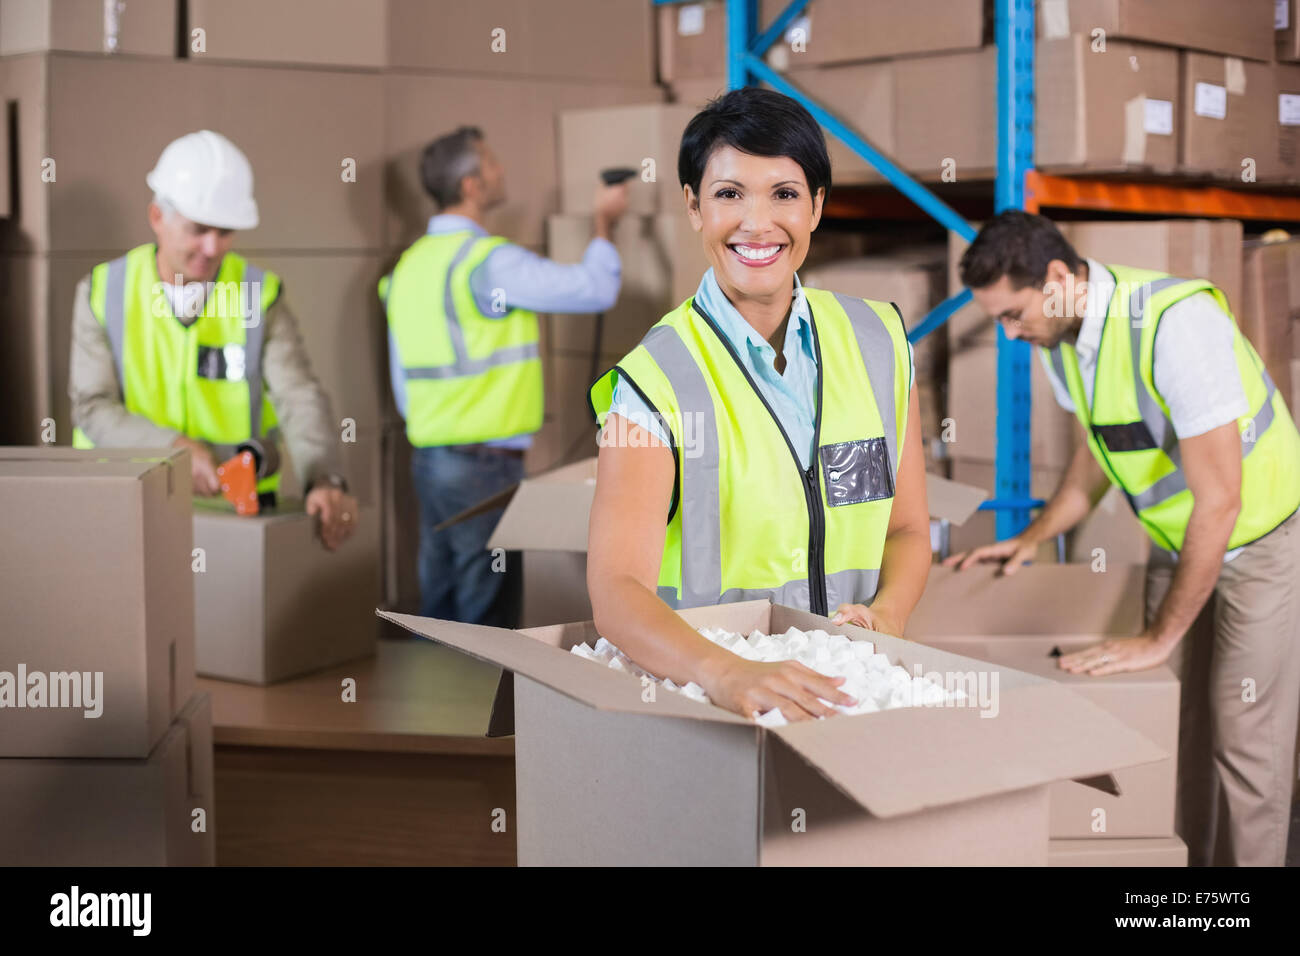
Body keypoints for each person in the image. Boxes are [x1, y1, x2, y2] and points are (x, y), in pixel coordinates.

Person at [948, 210, 1300, 866]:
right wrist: (1035, 535)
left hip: (1259, 542)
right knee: (1179, 730)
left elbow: (1222, 501)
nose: (1008, 332)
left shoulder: (1174, 325)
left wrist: (1158, 638)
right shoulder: (1065, 344)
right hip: (1182, 543)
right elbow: (1097, 452)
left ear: (1058, 278)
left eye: (1013, 314)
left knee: (1243, 739)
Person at [586, 88, 931, 724]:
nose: (757, 223)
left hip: (845, 690)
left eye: (784, 194)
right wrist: (725, 673)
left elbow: (908, 530)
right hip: (708, 702)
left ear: (817, 206)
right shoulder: (654, 380)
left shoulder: (879, 343)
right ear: (693, 206)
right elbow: (615, 589)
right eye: (728, 194)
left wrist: (887, 616)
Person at [382, 126, 628, 626]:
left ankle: (434, 702)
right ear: (472, 185)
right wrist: (604, 225)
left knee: (442, 600)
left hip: (429, 457)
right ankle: (480, 703)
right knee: (485, 610)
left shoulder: (406, 269)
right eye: (492, 163)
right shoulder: (488, 263)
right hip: (483, 465)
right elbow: (594, 290)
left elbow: (403, 379)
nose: (502, 171)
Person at [69, 130, 357, 551]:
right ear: (157, 218)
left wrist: (325, 477)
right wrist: (173, 448)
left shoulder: (258, 293)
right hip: (127, 508)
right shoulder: (103, 291)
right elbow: (92, 407)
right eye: (198, 229)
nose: (211, 247)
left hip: (235, 515)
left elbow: (299, 396)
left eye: (225, 232)